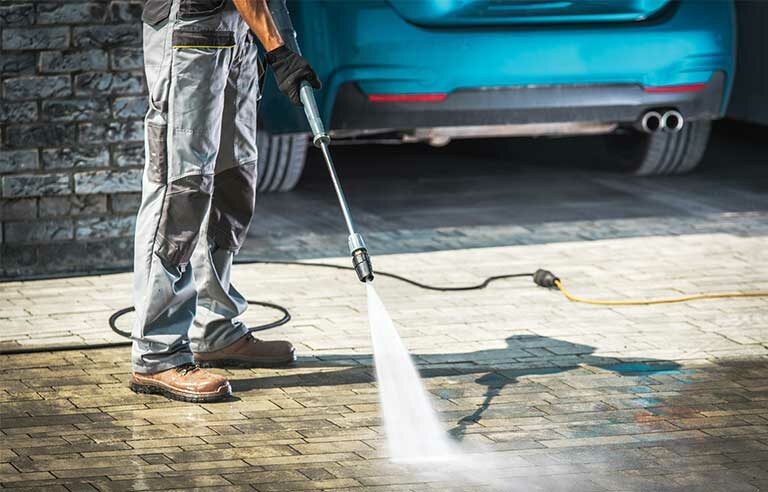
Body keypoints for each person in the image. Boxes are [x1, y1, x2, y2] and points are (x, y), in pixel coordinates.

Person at [129, 0, 320, 403]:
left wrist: (280, 43)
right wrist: (277, 47)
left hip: (237, 34)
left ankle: (215, 328)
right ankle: (157, 352)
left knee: (233, 181)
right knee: (181, 189)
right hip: (190, 30)